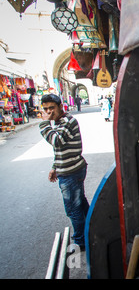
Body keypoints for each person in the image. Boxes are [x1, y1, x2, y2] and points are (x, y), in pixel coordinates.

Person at [39, 94, 89, 249]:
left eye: (51, 108)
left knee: (73, 209)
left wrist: (44, 124)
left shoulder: (67, 121)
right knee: (80, 205)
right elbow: (60, 150)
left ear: (60, 106)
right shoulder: (60, 122)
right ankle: (91, 229)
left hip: (71, 173)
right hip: (69, 170)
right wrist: (55, 167)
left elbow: (57, 141)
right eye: (45, 109)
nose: (48, 112)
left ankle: (80, 241)